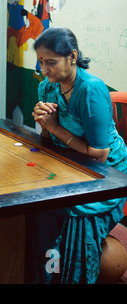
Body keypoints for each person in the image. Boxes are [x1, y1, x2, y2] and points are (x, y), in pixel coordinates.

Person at [29, 27, 127, 283]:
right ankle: (42, 275)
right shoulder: (48, 88)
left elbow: (99, 154)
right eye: (40, 62)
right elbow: (48, 140)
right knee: (36, 206)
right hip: (68, 162)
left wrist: (54, 127)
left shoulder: (91, 90)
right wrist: (43, 121)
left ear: (72, 57)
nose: (44, 69)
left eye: (51, 62)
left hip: (107, 174)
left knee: (74, 218)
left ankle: (74, 276)